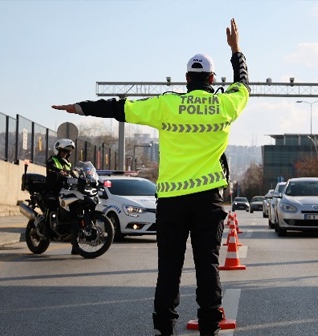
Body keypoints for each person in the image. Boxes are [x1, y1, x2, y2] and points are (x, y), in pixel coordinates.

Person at [52, 18, 249, 336]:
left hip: (171, 201)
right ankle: (210, 326)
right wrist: (236, 50)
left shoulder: (166, 105)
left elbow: (120, 108)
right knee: (207, 264)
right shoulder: (225, 104)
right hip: (208, 199)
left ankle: (164, 327)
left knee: (169, 267)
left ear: (187, 79)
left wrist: (80, 107)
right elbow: (243, 84)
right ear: (212, 79)